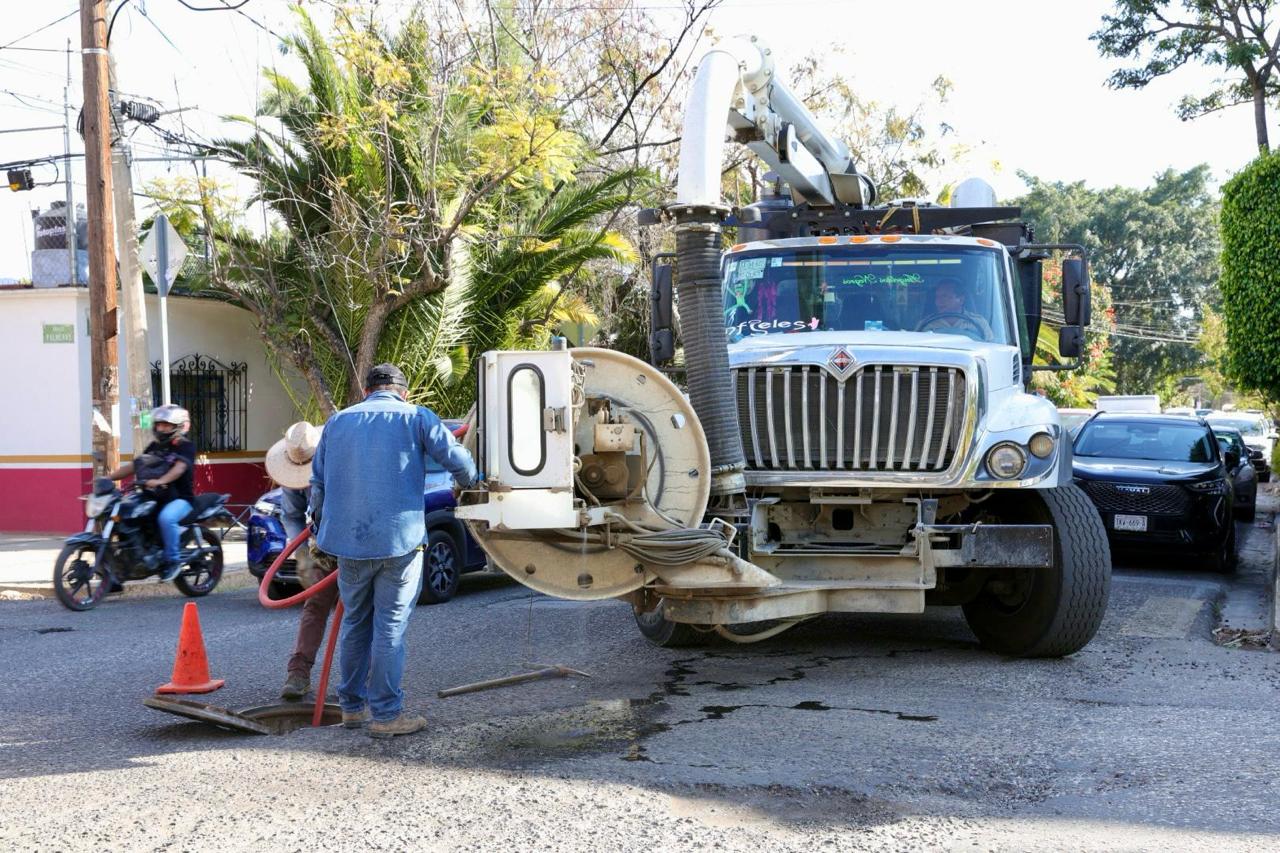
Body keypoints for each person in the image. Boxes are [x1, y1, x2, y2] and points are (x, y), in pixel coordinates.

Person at [310, 363, 477, 738]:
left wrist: (318, 525)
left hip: (348, 542)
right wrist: (471, 482)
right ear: (403, 392)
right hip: (399, 541)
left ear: (367, 391)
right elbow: (460, 462)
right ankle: (386, 716)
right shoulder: (417, 416)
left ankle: (351, 709)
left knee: (355, 621)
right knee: (389, 627)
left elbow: (317, 482)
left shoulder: (337, 422)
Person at [264, 420, 338, 702]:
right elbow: (292, 516)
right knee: (315, 605)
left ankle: (365, 683)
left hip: (357, 543)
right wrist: (303, 555)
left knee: (360, 611)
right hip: (324, 545)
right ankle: (298, 674)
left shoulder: (341, 464)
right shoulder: (294, 467)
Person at [105, 404, 197, 581]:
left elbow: (179, 468)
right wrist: (108, 478)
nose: (161, 428)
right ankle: (117, 571)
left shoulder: (185, 446)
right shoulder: (154, 446)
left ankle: (173, 561)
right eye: (159, 424)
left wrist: (161, 481)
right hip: (153, 496)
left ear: (176, 426)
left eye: (166, 425)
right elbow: (135, 465)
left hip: (180, 499)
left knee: (166, 518)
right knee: (126, 515)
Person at [919, 277, 994, 339]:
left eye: (944, 296)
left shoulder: (979, 323)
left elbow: (991, 348)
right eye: (937, 297)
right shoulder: (925, 325)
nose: (938, 301)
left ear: (961, 300)